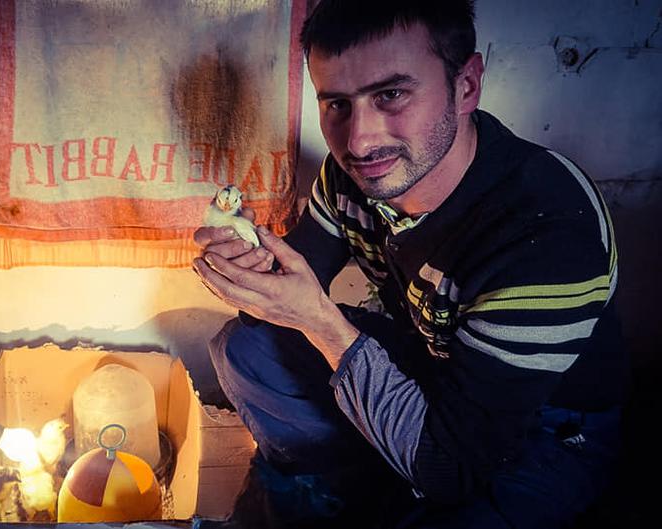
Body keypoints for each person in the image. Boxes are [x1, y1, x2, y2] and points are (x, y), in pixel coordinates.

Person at [191, 1, 629, 527]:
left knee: (442, 485)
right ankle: (335, 488)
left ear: (466, 86)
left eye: (391, 94)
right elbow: (278, 300)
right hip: (431, 363)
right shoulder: (351, 176)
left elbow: (452, 467)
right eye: (337, 104)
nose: (359, 141)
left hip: (543, 429)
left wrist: (321, 323)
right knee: (248, 348)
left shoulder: (548, 231)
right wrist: (246, 262)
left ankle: (376, 482)